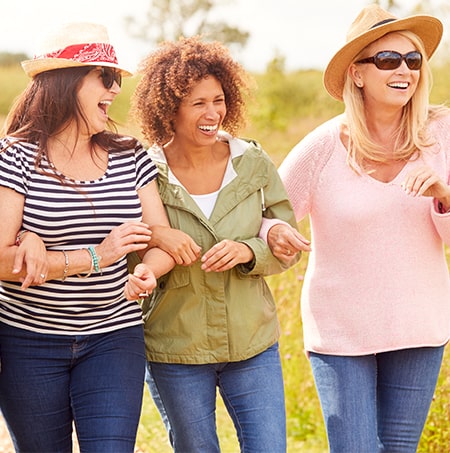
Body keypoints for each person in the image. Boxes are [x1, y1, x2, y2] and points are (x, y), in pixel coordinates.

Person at [262, 4, 450, 452]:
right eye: (387, 60)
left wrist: (444, 195)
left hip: (419, 325)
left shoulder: (441, 134)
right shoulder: (322, 147)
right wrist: (273, 232)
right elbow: (266, 210)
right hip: (340, 331)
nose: (404, 70)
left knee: (399, 448)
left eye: (413, 60)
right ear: (358, 74)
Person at [0, 22, 175, 452]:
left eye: (116, 79)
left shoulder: (130, 154)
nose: (115, 89)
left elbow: (161, 238)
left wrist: (149, 272)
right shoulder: (15, 156)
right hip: (29, 341)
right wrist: (96, 256)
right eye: (105, 76)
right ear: (65, 81)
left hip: (114, 335)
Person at [128, 36, 299, 453]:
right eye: (197, 103)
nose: (213, 113)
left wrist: (250, 251)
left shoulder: (252, 162)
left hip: (252, 343)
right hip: (176, 348)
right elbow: (131, 247)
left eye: (218, 100)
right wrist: (150, 252)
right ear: (169, 108)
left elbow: (284, 238)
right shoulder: (143, 170)